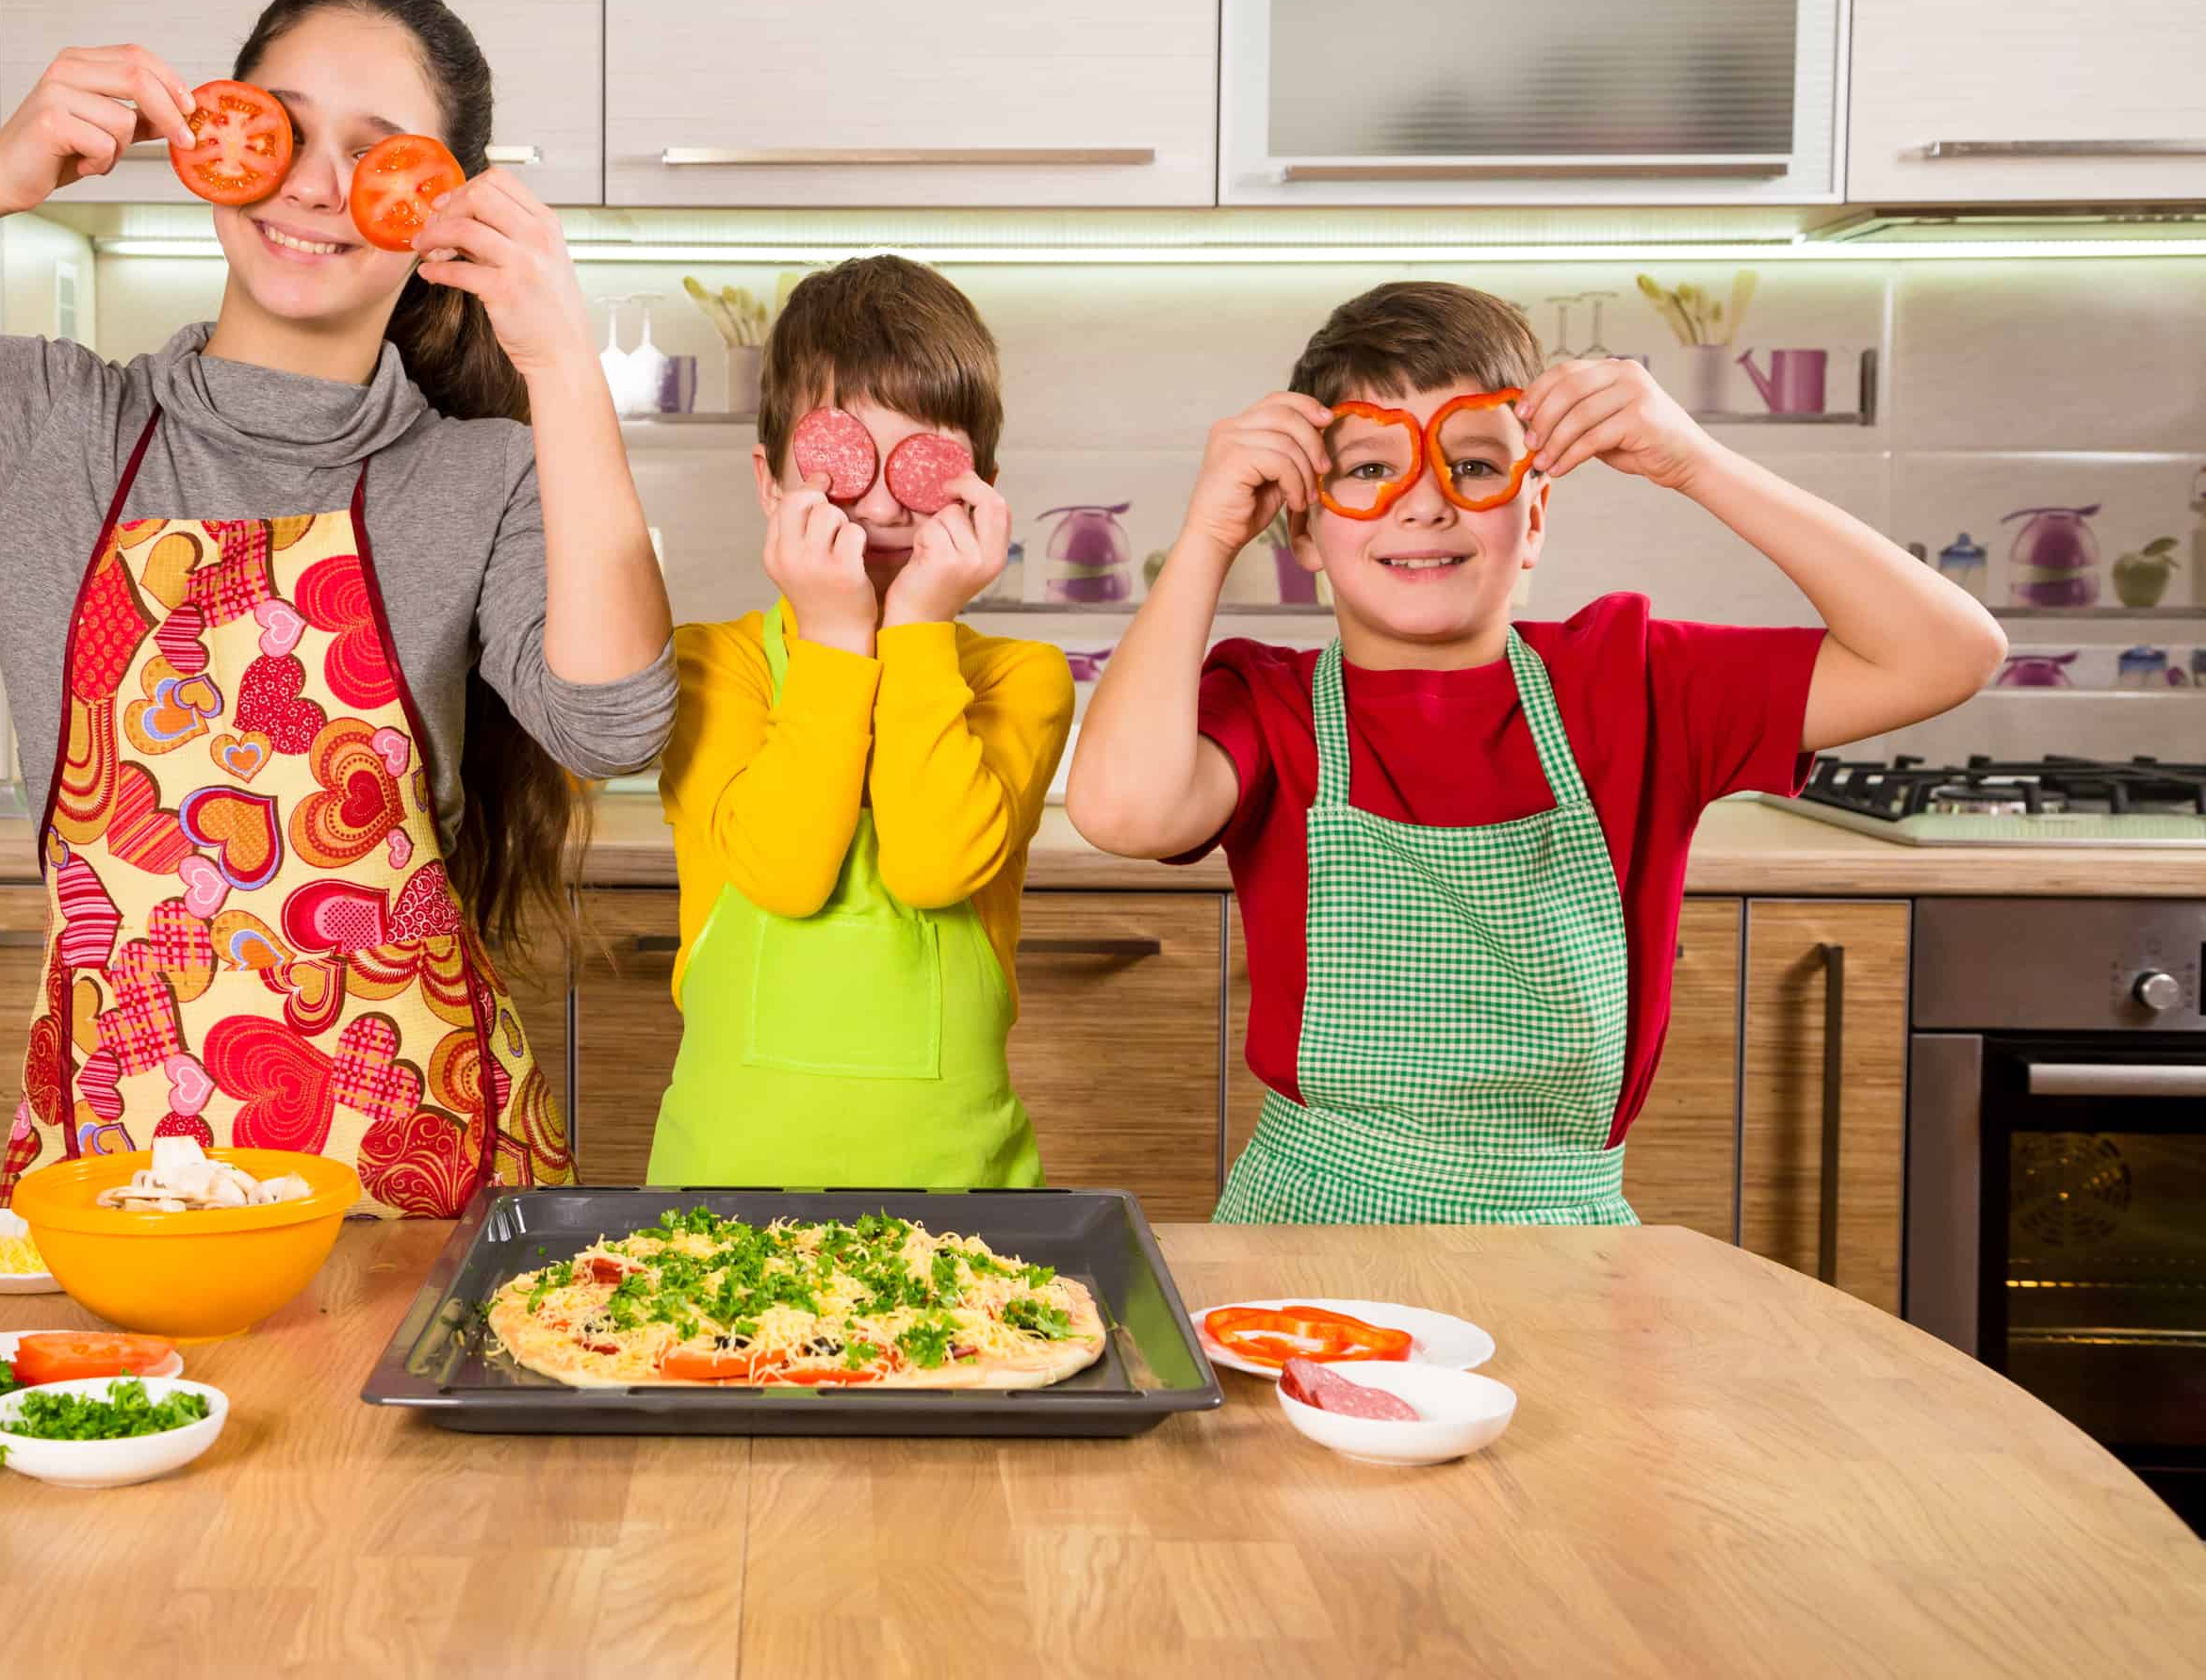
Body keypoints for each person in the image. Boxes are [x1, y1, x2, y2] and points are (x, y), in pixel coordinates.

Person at [0, 0, 675, 1215]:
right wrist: (0, 173)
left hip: (413, 1178)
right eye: (277, 127)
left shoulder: (476, 472)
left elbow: (612, 722)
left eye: (378, 158)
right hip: (121, 1179)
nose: (315, 183)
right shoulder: (47, 434)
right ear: (206, 140)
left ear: (440, 213)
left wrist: (560, 367)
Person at [1067, 281, 2002, 1224]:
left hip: (1564, 1236)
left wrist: (1696, 462)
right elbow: (1123, 811)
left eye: (1473, 466)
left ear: (1537, 515)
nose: (1425, 504)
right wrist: (1208, 534)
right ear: (1303, 525)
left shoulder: (1636, 682)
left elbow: (1948, 652)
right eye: (1369, 469)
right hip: (1308, 1229)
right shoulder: (1269, 706)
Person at [645, 257, 1073, 1186]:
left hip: (969, 1207)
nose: (879, 503)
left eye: (923, 466)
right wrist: (838, 637)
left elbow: (931, 865)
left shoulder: (1018, 677)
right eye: (839, 463)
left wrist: (915, 625)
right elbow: (785, 874)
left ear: (982, 490)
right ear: (771, 482)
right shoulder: (709, 664)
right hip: (719, 1202)